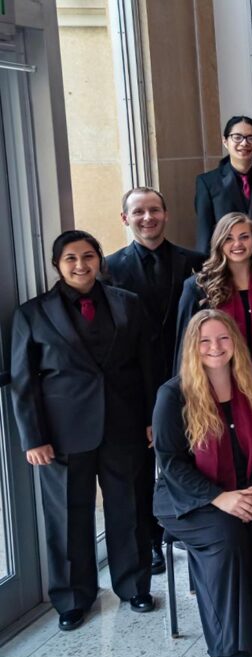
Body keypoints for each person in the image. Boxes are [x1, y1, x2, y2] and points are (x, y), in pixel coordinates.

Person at [12, 230, 155, 631]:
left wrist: (151, 419)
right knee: (68, 517)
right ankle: (73, 599)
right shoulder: (32, 314)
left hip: (124, 424)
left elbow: (147, 364)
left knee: (128, 509)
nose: (81, 265)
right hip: (61, 435)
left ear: (99, 260)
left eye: (88, 256)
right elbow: (24, 384)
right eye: (71, 258)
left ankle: (134, 586)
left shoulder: (127, 303)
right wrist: (33, 437)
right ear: (56, 265)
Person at [153, 310, 252, 657]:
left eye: (223, 338)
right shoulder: (173, 394)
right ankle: (228, 638)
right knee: (226, 535)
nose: (215, 347)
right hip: (189, 496)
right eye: (205, 341)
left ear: (236, 342)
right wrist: (219, 497)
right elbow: (171, 462)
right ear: (192, 347)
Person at [106, 187, 205, 573]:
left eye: (154, 211)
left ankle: (187, 527)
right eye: (139, 212)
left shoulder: (195, 262)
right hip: (135, 382)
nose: (148, 218)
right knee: (141, 465)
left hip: (187, 373)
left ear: (165, 214)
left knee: (192, 451)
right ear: (125, 219)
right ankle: (150, 541)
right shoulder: (109, 268)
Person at [177, 212, 252, 379]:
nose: (237, 244)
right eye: (228, 238)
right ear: (219, 243)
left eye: (244, 237)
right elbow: (186, 345)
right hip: (217, 382)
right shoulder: (198, 287)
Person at [194, 116, 252, 253]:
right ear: (225, 141)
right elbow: (204, 231)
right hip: (227, 258)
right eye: (237, 137)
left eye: (251, 138)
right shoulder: (207, 182)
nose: (244, 143)